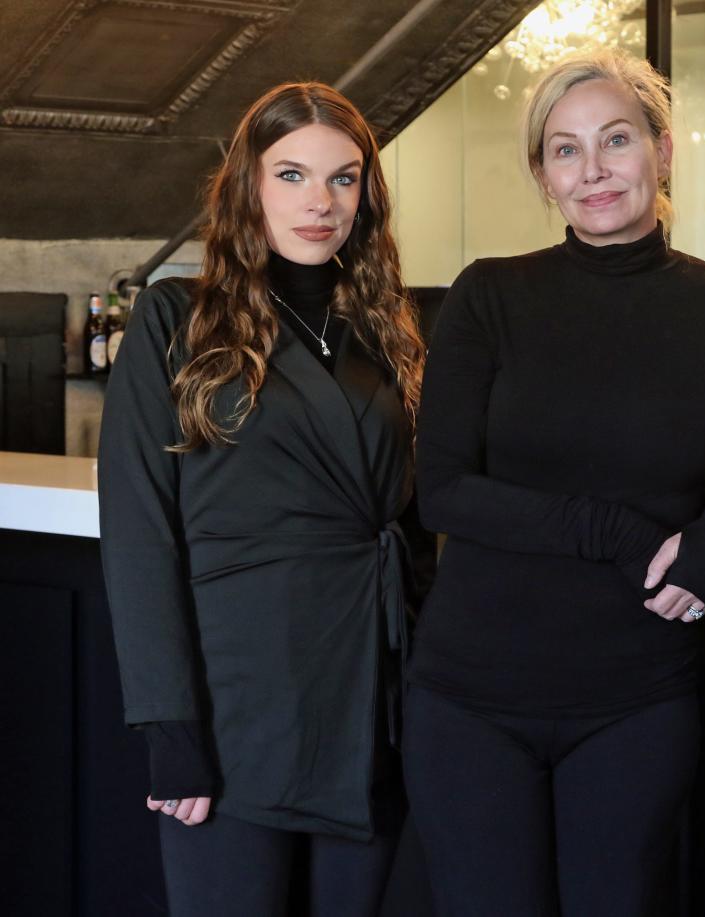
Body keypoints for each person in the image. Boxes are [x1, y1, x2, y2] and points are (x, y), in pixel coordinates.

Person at [404, 49, 705, 917]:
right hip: (471, 697)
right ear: (542, 174)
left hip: (638, 695)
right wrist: (619, 534)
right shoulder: (489, 295)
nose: (594, 169)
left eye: (616, 140)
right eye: (565, 150)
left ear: (663, 150)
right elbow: (444, 489)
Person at [99, 81, 429, 917]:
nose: (319, 202)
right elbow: (141, 537)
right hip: (235, 707)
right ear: (247, 184)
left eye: (343, 178)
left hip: (370, 702)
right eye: (291, 175)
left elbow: (419, 513)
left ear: (367, 192)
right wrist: (169, 728)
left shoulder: (384, 327)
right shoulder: (177, 316)